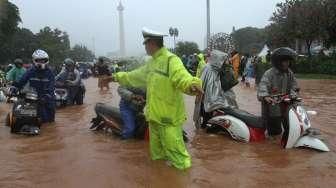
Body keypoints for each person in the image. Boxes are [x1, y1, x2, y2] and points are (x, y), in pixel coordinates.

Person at [105, 27, 203, 170]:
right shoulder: (151, 63)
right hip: (154, 120)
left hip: (169, 121)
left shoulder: (171, 60)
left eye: (145, 43)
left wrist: (192, 85)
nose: (144, 46)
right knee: (157, 159)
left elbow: (182, 77)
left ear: (152, 43)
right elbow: (133, 76)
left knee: (180, 160)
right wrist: (114, 77)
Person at [257, 47, 298, 139]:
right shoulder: (269, 73)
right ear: (278, 62)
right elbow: (263, 85)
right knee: (274, 131)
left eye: (288, 61)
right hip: (272, 104)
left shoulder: (289, 73)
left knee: (291, 126)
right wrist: (265, 96)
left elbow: (294, 86)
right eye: (285, 61)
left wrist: (293, 94)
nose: (287, 63)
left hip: (287, 103)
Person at [13, 49, 55, 123]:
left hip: (45, 98)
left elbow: (51, 88)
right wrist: (15, 87)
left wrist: (46, 97)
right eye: (39, 60)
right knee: (19, 113)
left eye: (43, 60)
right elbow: (22, 82)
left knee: (48, 121)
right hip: (32, 96)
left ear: (47, 60)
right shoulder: (30, 71)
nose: (41, 62)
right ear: (34, 60)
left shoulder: (50, 73)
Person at [199, 50, 239, 127]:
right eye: (223, 59)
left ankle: (212, 123)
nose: (224, 61)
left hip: (213, 96)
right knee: (206, 109)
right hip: (206, 96)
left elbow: (228, 84)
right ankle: (206, 124)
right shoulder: (209, 69)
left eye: (225, 60)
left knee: (212, 108)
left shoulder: (219, 68)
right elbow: (206, 84)